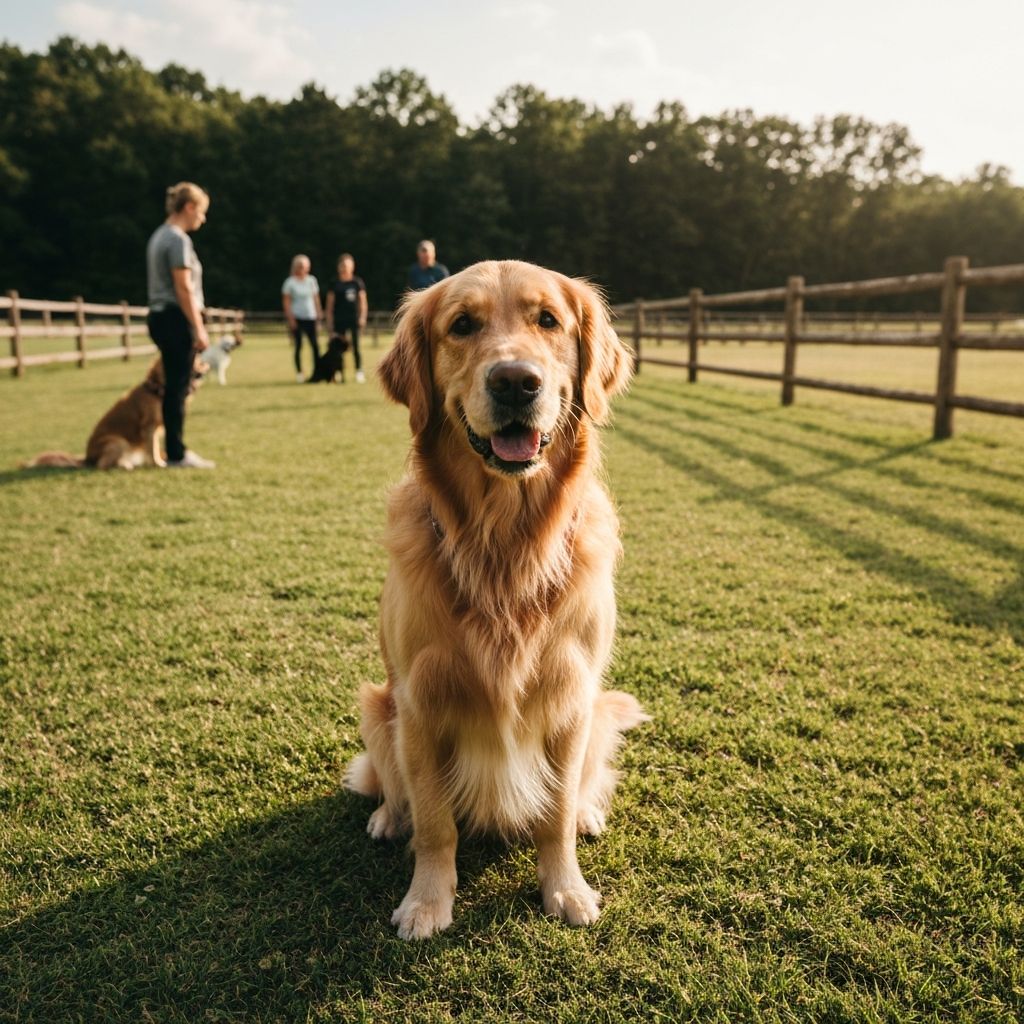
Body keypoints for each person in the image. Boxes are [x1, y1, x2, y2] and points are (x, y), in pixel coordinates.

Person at [145, 181, 215, 469]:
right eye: (202, 211)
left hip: (161, 317)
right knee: (178, 387)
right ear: (189, 207)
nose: (203, 218)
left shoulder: (159, 236)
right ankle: (176, 453)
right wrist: (198, 327)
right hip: (176, 318)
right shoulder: (177, 240)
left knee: (174, 385)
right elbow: (183, 287)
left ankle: (171, 448)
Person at [324, 253, 368, 383]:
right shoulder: (334, 283)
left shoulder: (357, 282)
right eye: (342, 266)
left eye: (347, 266)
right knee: (337, 349)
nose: (344, 268)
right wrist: (330, 322)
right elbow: (329, 305)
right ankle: (338, 372)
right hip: (339, 320)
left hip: (353, 319)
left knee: (356, 346)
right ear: (338, 267)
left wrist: (362, 317)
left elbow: (363, 302)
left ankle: (359, 371)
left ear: (352, 267)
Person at [282, 254, 323, 381]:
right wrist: (291, 320)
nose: (304, 269)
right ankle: (300, 373)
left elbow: (316, 300)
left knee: (315, 346)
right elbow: (287, 303)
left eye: (306, 267)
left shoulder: (312, 280)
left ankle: (317, 372)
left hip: (311, 317)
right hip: (297, 318)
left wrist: (318, 317)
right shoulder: (290, 282)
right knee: (299, 346)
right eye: (301, 266)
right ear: (296, 267)